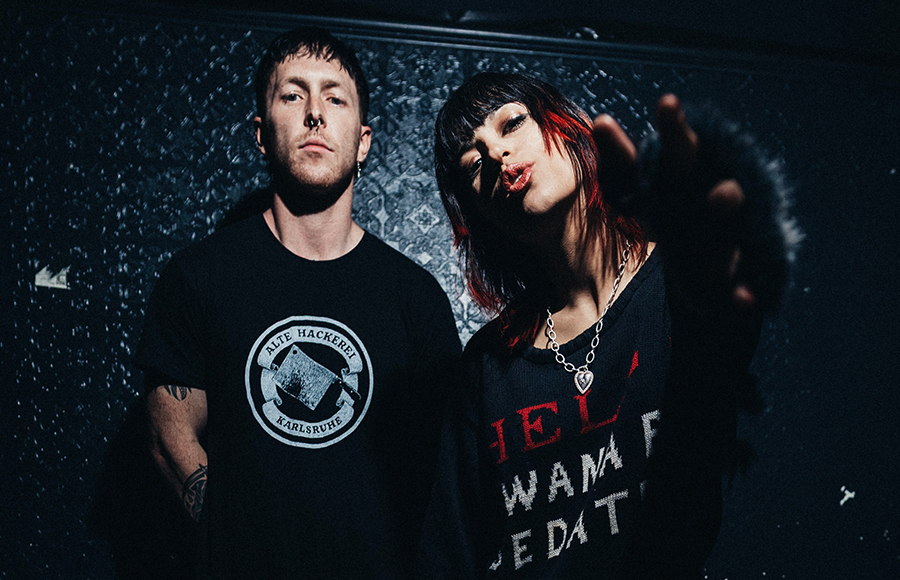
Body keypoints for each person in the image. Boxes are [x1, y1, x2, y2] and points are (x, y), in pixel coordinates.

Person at [416, 72, 799, 578]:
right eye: (473, 163)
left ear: (565, 125)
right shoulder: (487, 367)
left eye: (511, 123)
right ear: (479, 213)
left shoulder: (682, 286)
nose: (495, 153)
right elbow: (448, 556)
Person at [134, 27, 461, 579]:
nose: (314, 114)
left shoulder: (415, 297)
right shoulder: (200, 276)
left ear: (363, 142)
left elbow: (446, 468)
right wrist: (232, 542)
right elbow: (168, 436)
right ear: (262, 134)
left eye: (335, 98)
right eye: (293, 95)